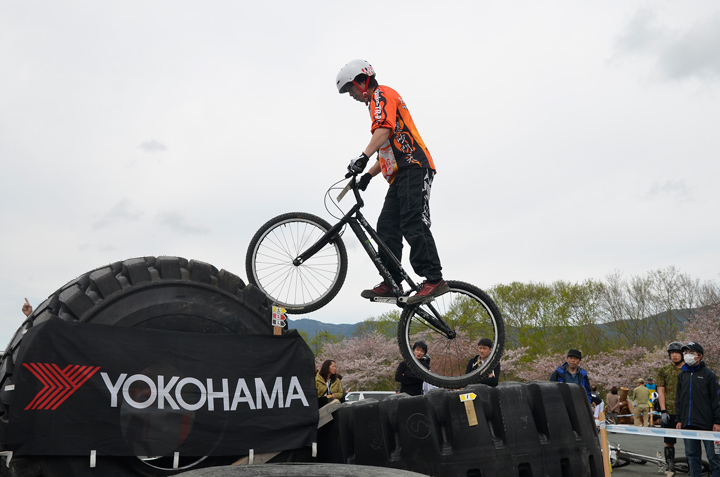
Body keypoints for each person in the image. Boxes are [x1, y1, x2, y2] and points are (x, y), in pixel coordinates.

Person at [336, 59, 448, 306]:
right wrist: (368, 175)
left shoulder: (382, 94)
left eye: (351, 90)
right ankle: (392, 281)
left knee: (412, 221)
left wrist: (363, 158)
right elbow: (386, 149)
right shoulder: (375, 105)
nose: (352, 95)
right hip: (400, 173)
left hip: (415, 166)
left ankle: (434, 278)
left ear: (362, 82)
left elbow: (383, 132)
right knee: (386, 227)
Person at [674, 341, 720, 476]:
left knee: (715, 458)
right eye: (685, 353)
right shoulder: (682, 375)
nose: (687, 355)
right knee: (692, 457)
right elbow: (679, 399)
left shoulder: (709, 375)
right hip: (688, 424)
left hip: (708, 425)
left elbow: (717, 399)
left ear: (699, 356)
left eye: (691, 353)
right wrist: (679, 419)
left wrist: (717, 421)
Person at [657, 341, 685, 474]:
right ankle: (670, 466)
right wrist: (663, 410)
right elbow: (660, 391)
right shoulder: (664, 370)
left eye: (677, 353)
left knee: (691, 441)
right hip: (669, 411)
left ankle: (692, 464)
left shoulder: (688, 369)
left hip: (686, 411)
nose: (674, 355)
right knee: (669, 441)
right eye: (672, 353)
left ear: (682, 354)